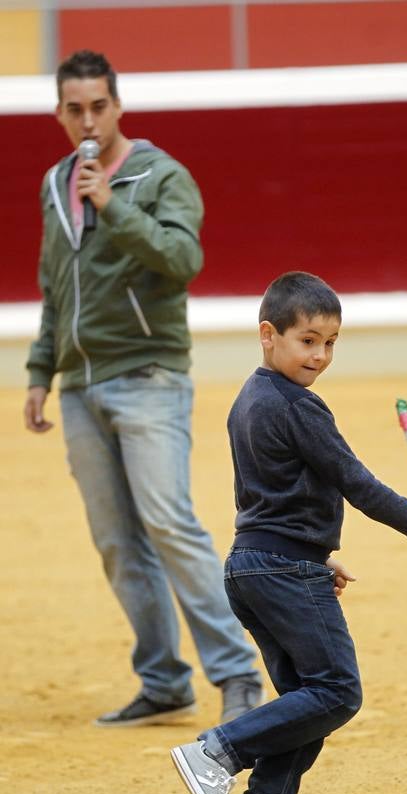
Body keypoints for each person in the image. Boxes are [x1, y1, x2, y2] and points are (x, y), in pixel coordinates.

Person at [170, 271, 407, 794]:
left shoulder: (248, 398)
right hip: (281, 570)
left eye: (331, 342)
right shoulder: (300, 407)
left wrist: (313, 554)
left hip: (255, 566)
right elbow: (358, 484)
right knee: (336, 692)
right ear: (269, 334)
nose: (320, 355)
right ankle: (217, 752)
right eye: (308, 340)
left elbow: (270, 495)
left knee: (303, 702)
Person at [23, 49, 263, 727]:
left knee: (169, 523)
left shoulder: (161, 174)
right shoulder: (55, 182)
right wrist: (42, 371)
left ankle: (238, 673)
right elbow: (53, 286)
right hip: (81, 387)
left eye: (99, 105)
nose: (88, 119)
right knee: (116, 541)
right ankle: (163, 681)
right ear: (60, 113)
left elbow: (184, 260)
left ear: (118, 106)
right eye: (74, 108)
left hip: (150, 377)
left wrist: (112, 206)